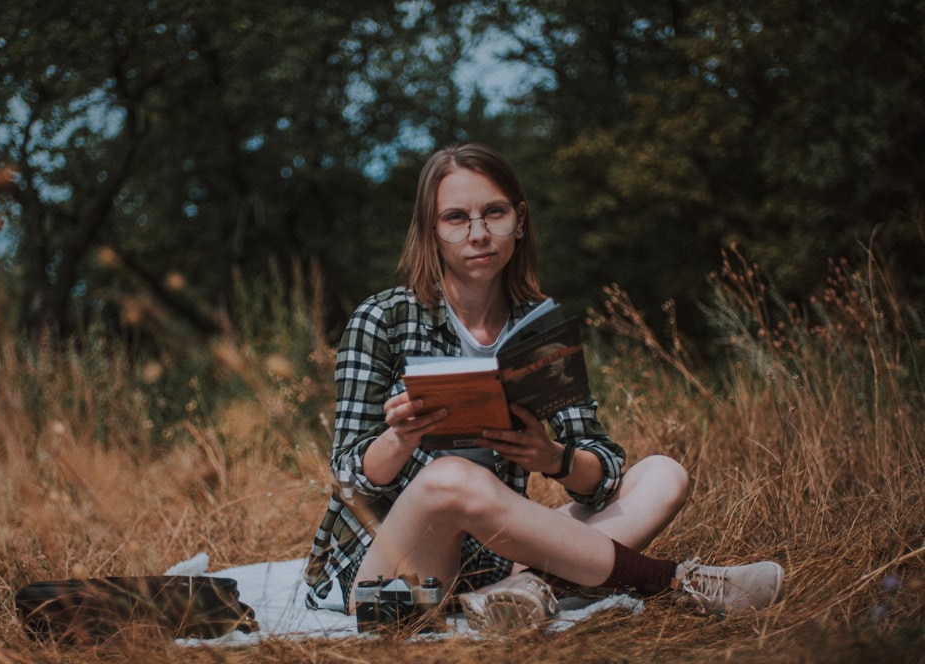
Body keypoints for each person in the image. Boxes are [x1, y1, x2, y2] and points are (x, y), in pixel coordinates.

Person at [303, 142, 783, 630]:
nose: (478, 234)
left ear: (521, 219)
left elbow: (602, 470)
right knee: (450, 477)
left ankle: (521, 590)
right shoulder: (383, 319)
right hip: (389, 569)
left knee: (662, 475)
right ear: (432, 231)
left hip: (490, 558)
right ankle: (675, 583)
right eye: (455, 218)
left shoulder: (536, 329)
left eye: (494, 213)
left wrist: (552, 458)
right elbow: (347, 478)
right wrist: (400, 438)